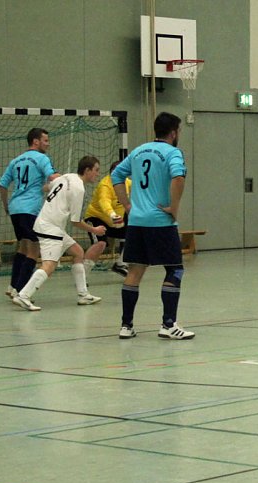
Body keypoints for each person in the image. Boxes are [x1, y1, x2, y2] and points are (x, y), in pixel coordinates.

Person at [111, 112, 194, 340]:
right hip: (160, 221)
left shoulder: (138, 151)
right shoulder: (172, 153)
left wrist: (128, 205)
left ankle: (126, 326)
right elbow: (178, 178)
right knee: (174, 269)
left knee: (135, 271)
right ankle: (168, 324)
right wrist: (174, 207)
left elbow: (116, 174)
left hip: (137, 222)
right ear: (174, 132)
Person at [12, 156, 107, 311]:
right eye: (96, 170)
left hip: (49, 225)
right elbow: (75, 221)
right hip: (50, 228)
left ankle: (83, 295)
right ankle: (24, 295)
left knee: (78, 252)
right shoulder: (78, 189)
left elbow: (46, 187)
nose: (98, 173)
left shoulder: (66, 177)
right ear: (87, 170)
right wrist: (95, 230)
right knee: (49, 265)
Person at [0, 128, 60, 298]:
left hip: (15, 209)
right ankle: (21, 291)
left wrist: (6, 206)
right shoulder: (42, 158)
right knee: (34, 249)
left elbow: (2, 184)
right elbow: (53, 177)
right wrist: (68, 178)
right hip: (30, 209)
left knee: (23, 247)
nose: (48, 144)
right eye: (45, 140)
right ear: (36, 141)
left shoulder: (15, 161)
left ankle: (12, 287)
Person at [84, 160, 131, 277]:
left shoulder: (127, 182)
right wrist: (112, 215)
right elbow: (104, 202)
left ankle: (120, 264)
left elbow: (140, 187)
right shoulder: (105, 185)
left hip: (115, 220)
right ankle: (82, 275)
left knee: (135, 234)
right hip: (96, 217)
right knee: (100, 244)